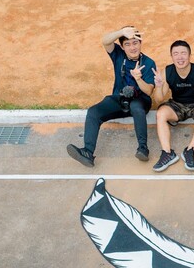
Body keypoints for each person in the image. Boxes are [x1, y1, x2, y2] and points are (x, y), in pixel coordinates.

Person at [66, 26, 156, 167]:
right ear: (122, 47)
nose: (132, 47)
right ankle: (88, 152)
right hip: (119, 99)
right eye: (127, 44)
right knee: (93, 112)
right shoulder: (118, 55)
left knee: (136, 107)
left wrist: (138, 79)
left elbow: (149, 91)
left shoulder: (149, 63)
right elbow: (105, 41)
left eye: (135, 43)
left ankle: (143, 149)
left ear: (140, 43)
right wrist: (121, 32)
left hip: (140, 101)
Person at [150, 40, 194, 172]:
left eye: (183, 53)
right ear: (171, 56)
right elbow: (159, 99)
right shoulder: (167, 71)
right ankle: (167, 153)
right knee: (161, 113)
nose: (180, 57)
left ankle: (189, 150)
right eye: (176, 54)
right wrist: (158, 86)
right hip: (177, 105)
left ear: (190, 55)